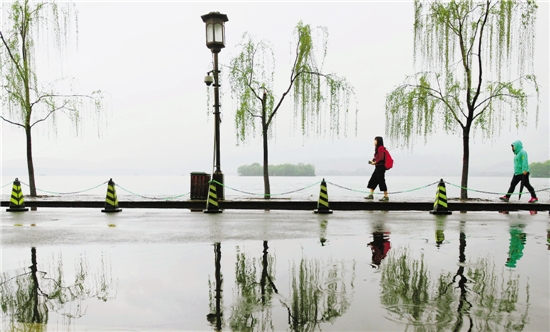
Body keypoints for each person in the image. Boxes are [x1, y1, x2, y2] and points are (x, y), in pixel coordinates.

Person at [365, 136, 389, 201]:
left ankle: (386, 196)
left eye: (375, 140)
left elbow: (381, 158)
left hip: (381, 167)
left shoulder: (380, 148)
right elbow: (377, 157)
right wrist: (373, 160)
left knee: (381, 181)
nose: (374, 141)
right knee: (373, 180)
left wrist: (374, 163)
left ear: (378, 141)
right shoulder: (378, 148)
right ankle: (371, 195)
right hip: (378, 167)